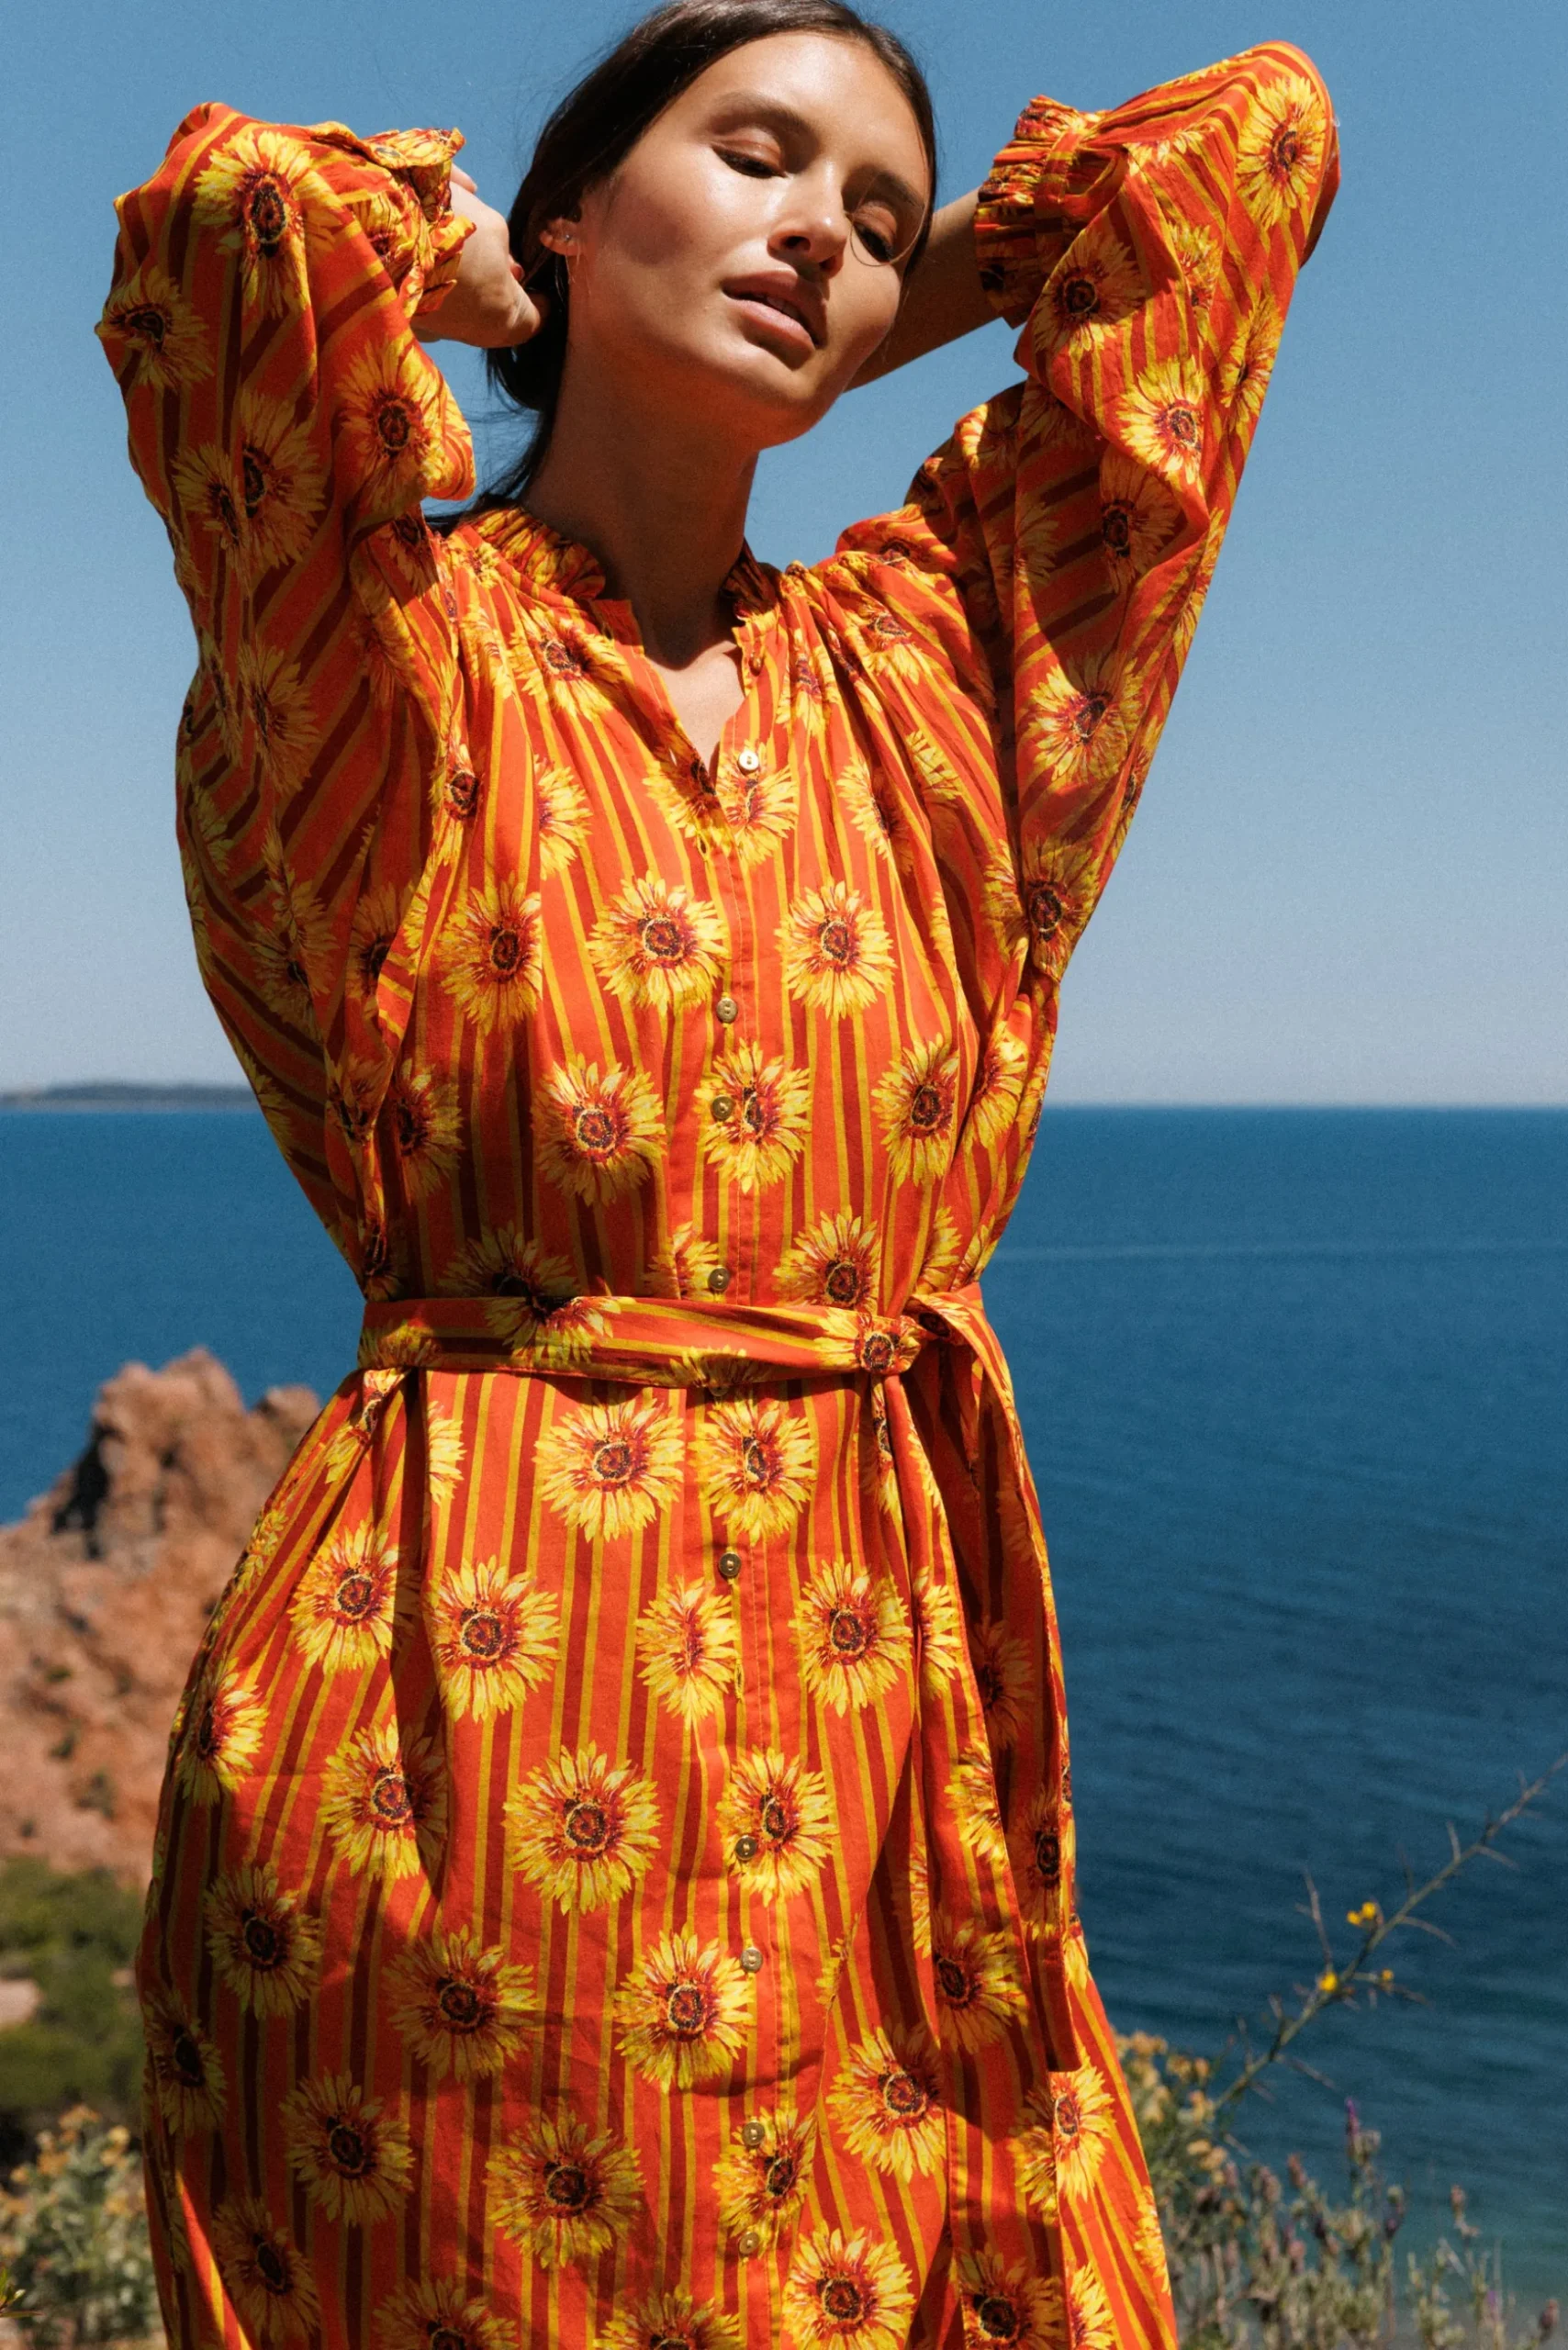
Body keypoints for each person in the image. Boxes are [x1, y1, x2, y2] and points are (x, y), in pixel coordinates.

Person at [97, 3, 1337, 2343]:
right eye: (753, 156)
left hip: (880, 1763)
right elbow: (237, 230)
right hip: (453, 1754)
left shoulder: (933, 673)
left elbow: (1246, 152)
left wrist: (868, 316)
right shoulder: (378, 650)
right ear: (574, 206)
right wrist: (480, 272)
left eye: (875, 212)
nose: (818, 231)